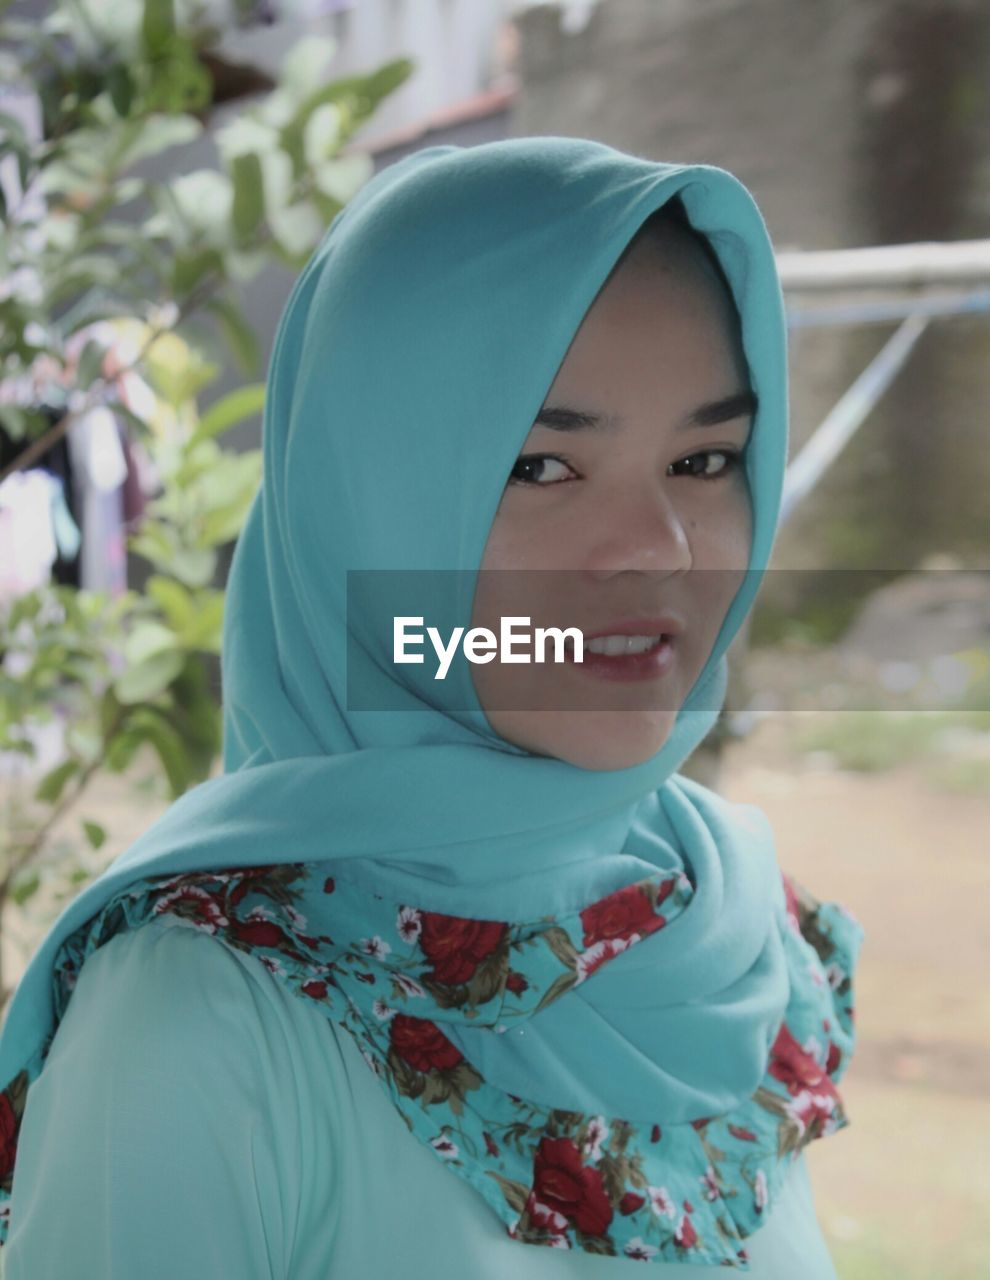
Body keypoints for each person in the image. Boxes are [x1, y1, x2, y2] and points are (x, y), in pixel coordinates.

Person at [0, 136, 864, 1276]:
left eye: (706, 459)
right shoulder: (200, 1016)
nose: (660, 549)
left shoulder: (726, 936)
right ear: (368, 499)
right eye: (541, 467)